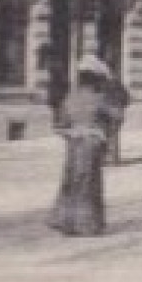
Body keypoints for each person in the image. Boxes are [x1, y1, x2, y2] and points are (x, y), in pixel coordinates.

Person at [48, 55, 115, 236]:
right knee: (89, 183)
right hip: (91, 146)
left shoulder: (69, 99)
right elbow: (113, 118)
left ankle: (66, 222)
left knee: (71, 181)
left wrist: (73, 133)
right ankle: (87, 225)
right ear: (96, 80)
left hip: (74, 145)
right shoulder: (100, 99)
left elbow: (61, 125)